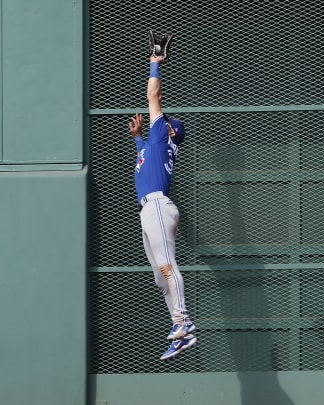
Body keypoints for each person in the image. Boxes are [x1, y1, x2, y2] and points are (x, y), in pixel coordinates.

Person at [127, 54, 196, 360]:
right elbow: (145, 156)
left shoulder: (162, 135)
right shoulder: (155, 143)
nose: (160, 117)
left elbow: (153, 95)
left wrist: (154, 62)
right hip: (150, 209)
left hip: (156, 206)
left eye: (165, 122)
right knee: (159, 276)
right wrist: (138, 137)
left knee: (167, 267)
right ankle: (179, 330)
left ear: (169, 132)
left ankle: (183, 322)